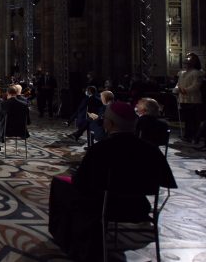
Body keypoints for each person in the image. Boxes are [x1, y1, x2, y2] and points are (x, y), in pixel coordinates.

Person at [49, 102, 177, 261]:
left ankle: (68, 238)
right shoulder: (151, 150)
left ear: (109, 123)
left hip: (105, 207)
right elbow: (167, 183)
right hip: (139, 207)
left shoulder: (101, 149)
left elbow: (80, 183)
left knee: (60, 185)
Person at [173, 53, 204, 144]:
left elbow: (195, 86)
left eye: (188, 61)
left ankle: (195, 136)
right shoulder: (182, 73)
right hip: (183, 99)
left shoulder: (197, 73)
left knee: (193, 120)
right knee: (187, 119)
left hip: (193, 99)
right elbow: (179, 83)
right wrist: (176, 89)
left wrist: (183, 90)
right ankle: (187, 135)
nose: (186, 63)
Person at [0, 85, 31, 152]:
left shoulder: (3, 104)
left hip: (7, 131)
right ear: (17, 93)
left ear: (8, 93)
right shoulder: (24, 105)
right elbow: (28, 121)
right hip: (21, 131)